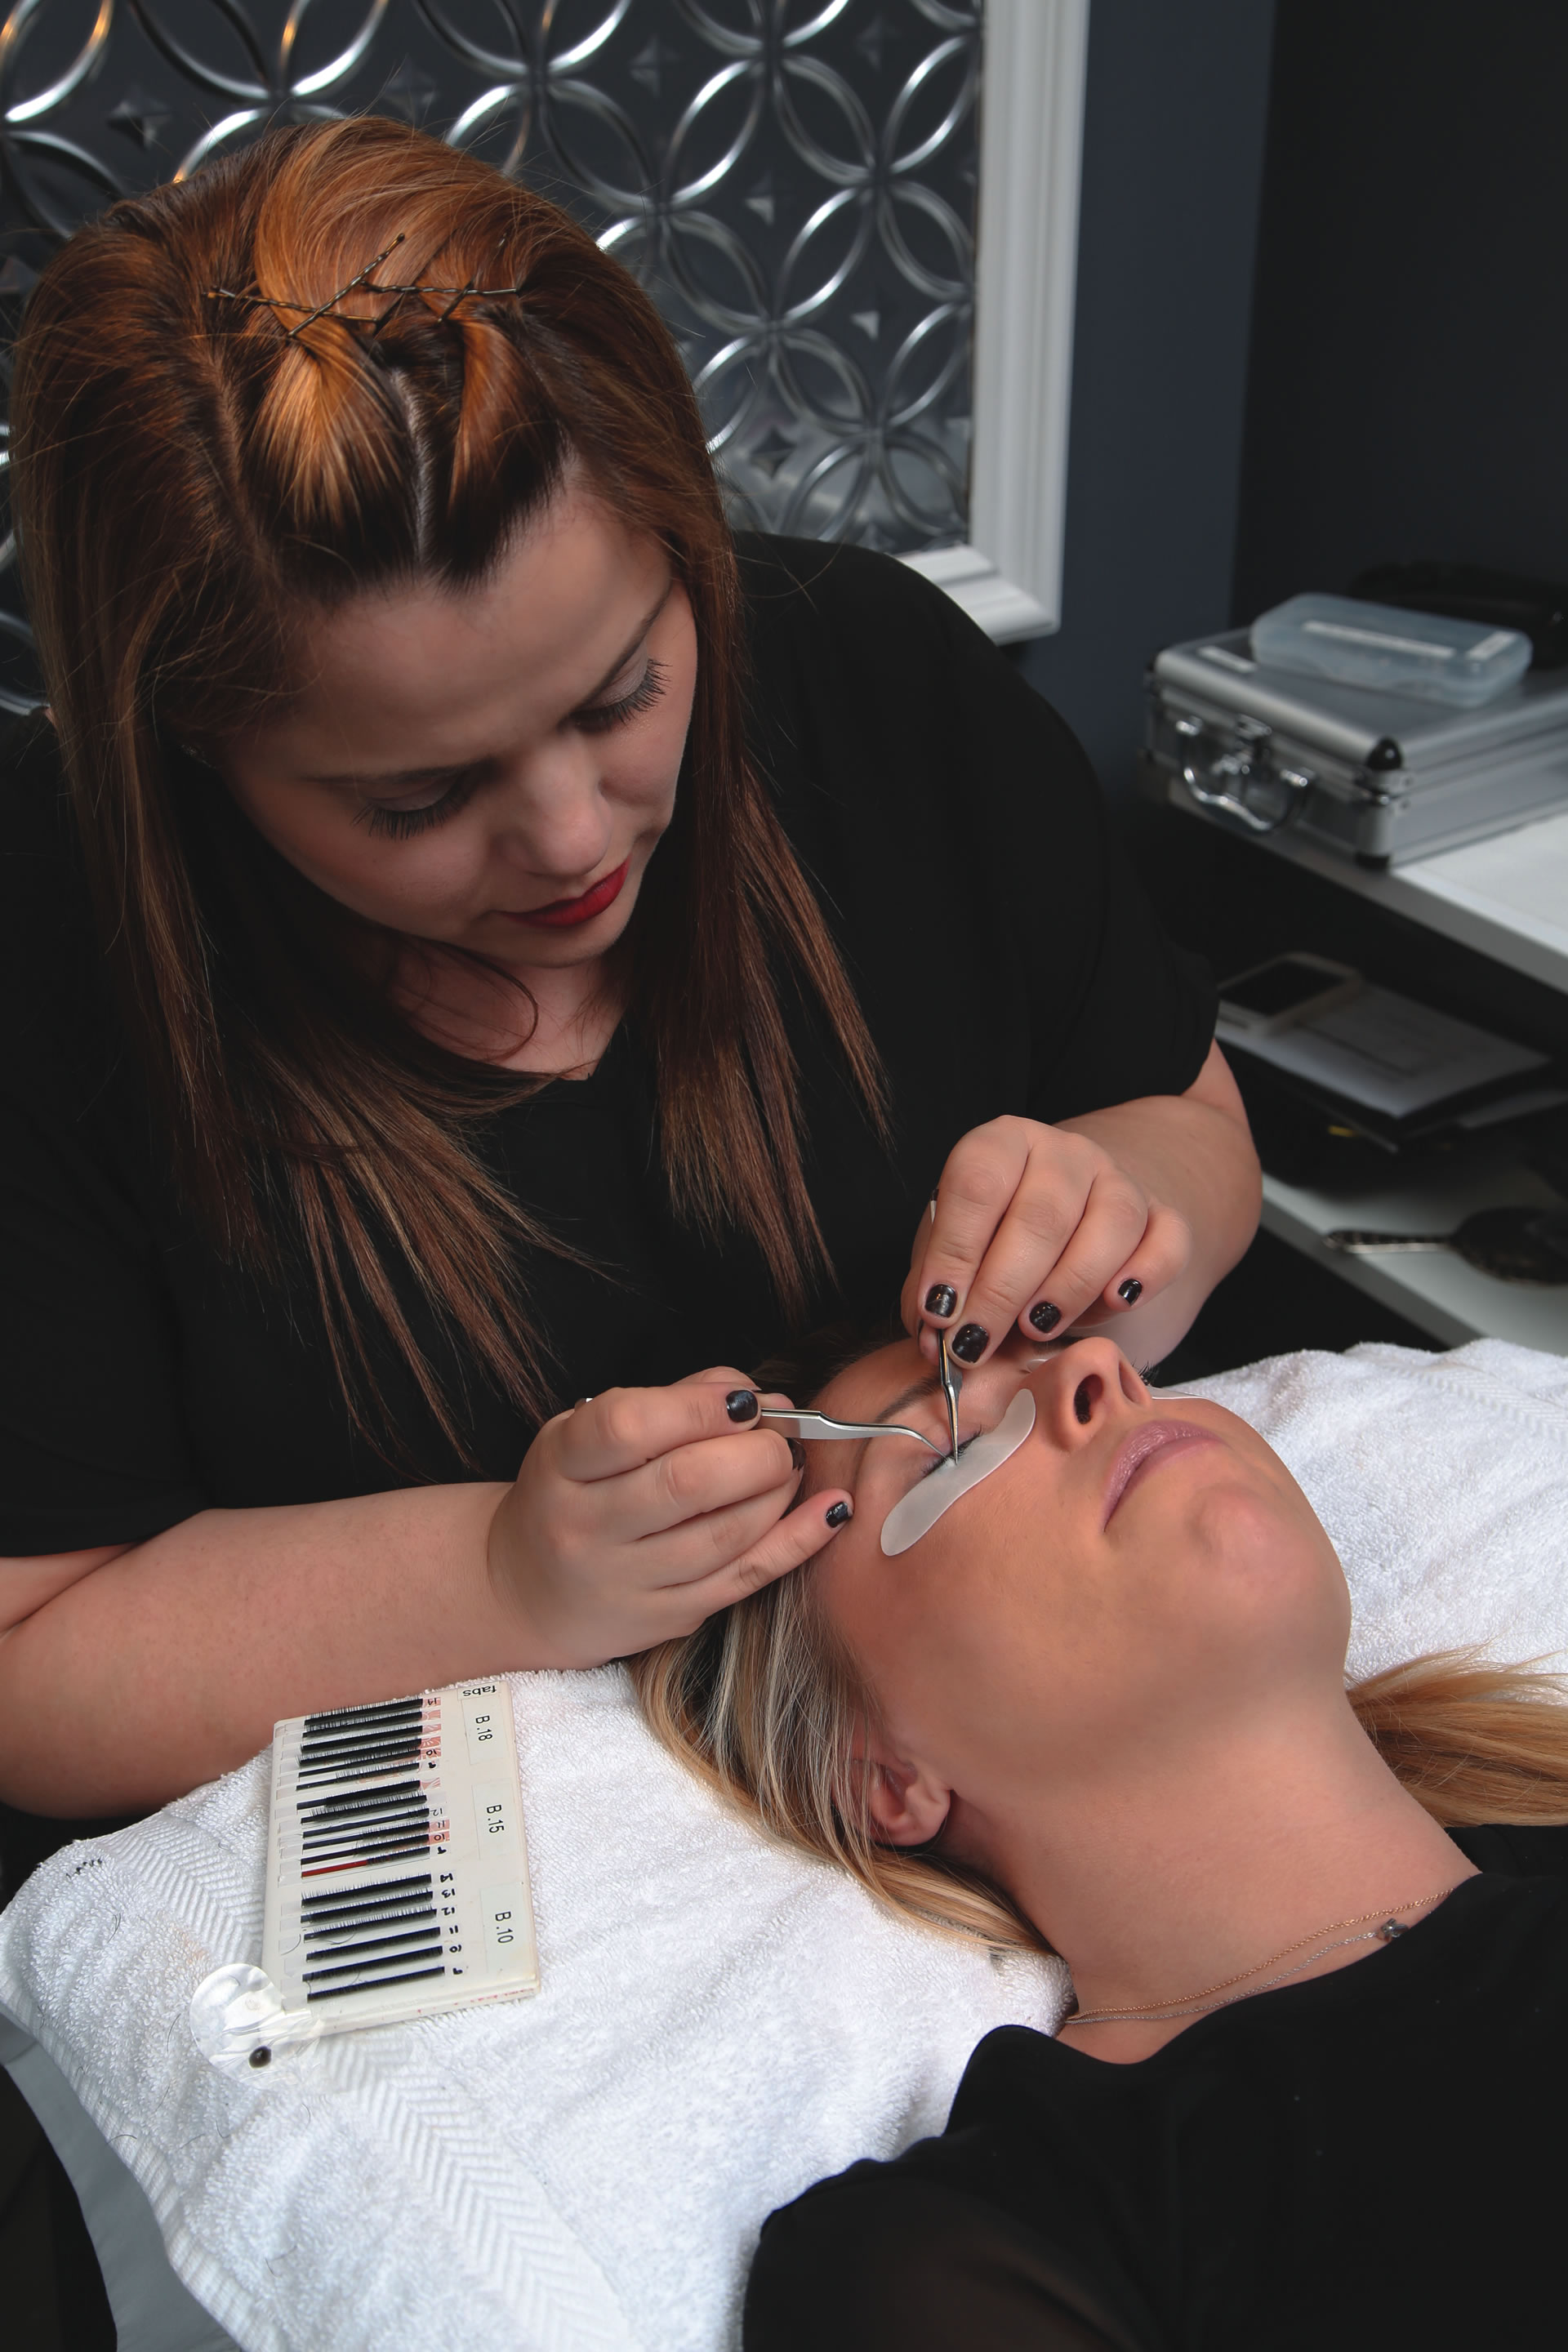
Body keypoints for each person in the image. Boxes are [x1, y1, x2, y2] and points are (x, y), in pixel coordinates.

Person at [0, 116, 1258, 1866]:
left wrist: (1120, 1215)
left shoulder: (873, 681)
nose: (574, 840)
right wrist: (500, 1578)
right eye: (416, 799)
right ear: (192, 753)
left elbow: (1186, 1117)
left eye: (620, 695)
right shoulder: (53, 943)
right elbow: (30, 1657)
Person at [633, 1331, 1568, 2349]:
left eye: (1132, 1370)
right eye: (950, 1450)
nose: (1100, 1368)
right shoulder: (982, 2251)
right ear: (883, 1777)